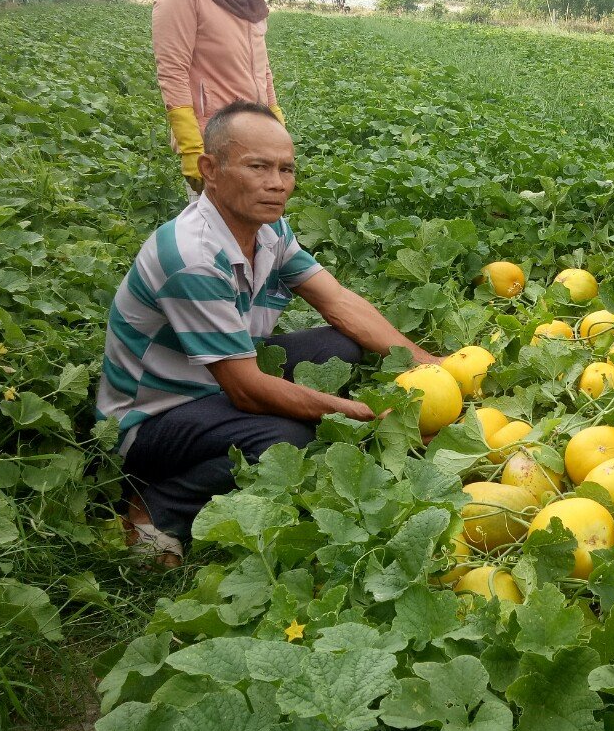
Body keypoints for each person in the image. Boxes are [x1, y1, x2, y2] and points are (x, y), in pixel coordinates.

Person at [96, 101, 442, 565]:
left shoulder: (269, 229)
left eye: (286, 169)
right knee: (286, 440)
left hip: (221, 374)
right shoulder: (192, 257)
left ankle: (244, 447)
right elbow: (246, 391)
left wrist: (430, 365)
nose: (277, 183)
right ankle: (155, 510)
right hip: (154, 417)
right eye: (258, 166)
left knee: (341, 345)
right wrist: (355, 415)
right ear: (209, 169)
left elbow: (337, 301)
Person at [150, 0, 290, 198]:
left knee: (255, 232)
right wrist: (190, 146)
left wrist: (276, 123)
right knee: (214, 239)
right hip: (213, 141)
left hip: (255, 138)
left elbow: (262, 69)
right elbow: (172, 72)